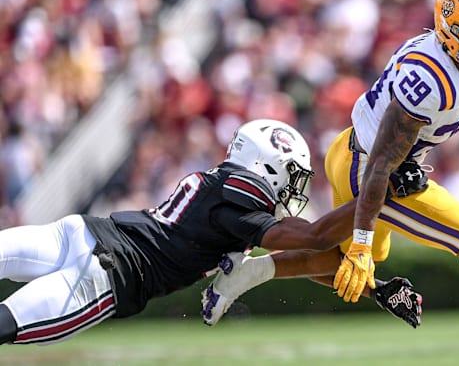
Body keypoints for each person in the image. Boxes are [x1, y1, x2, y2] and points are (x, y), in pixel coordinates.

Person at [201, 0, 459, 366]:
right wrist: (362, 240)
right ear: (454, 36)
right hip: (372, 171)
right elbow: (381, 165)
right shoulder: (432, 81)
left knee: (334, 259)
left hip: (358, 151)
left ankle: (244, 274)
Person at [0, 119, 422, 346]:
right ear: (269, 165)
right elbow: (313, 239)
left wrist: (376, 288)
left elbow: (302, 261)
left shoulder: (219, 183)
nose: (293, 188)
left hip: (77, 233)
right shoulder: (238, 201)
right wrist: (379, 190)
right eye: (292, 176)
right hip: (104, 278)